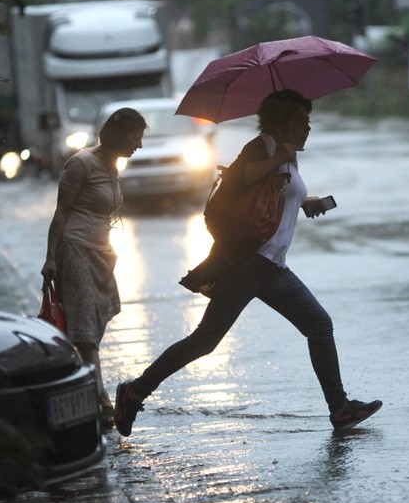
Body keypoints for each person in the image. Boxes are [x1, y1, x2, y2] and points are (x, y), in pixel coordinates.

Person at [113, 89, 382, 437]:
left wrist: (304, 202)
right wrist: (276, 158)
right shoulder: (263, 148)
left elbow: (269, 197)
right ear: (282, 124)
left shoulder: (285, 155)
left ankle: (340, 409)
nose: (308, 129)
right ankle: (134, 391)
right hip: (247, 266)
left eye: (309, 121)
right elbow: (238, 182)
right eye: (301, 121)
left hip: (270, 267)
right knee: (204, 342)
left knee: (318, 324)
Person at [41, 107, 147, 429]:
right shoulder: (81, 164)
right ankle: (100, 402)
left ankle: (82, 383)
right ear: (117, 134)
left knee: (95, 323)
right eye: (135, 138)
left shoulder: (113, 165)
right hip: (74, 252)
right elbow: (60, 214)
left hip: (102, 254)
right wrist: (51, 258)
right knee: (85, 330)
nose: (138, 146)